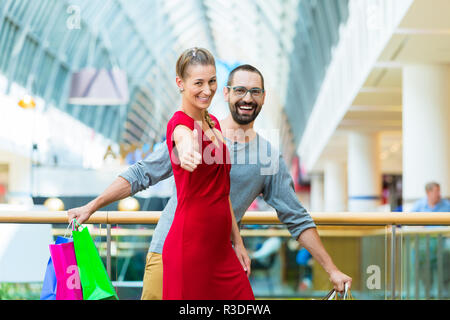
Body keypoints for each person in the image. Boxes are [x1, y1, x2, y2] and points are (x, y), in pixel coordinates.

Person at [68, 63, 352, 299]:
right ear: (226, 93)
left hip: (219, 258)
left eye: (255, 92)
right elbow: (143, 173)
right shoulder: (199, 132)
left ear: (264, 97)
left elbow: (295, 216)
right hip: (171, 252)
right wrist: (93, 205)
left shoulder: (268, 155)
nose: (247, 98)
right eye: (240, 90)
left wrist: (331, 269)